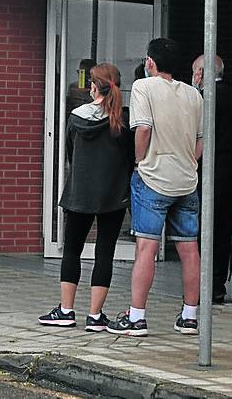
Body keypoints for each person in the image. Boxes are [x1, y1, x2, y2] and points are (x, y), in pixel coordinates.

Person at [108, 38, 204, 337]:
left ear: (150, 62)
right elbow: (201, 140)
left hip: (153, 178)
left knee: (146, 248)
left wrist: (140, 160)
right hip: (187, 179)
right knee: (189, 249)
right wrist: (188, 160)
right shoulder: (194, 95)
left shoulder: (143, 87)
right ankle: (189, 317)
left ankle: (136, 317)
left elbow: (144, 128)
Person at [38, 63, 133, 331]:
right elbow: (130, 159)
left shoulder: (76, 117)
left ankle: (66, 310)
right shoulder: (122, 120)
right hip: (113, 194)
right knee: (105, 252)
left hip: (79, 192)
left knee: (72, 250)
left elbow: (71, 152)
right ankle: (95, 315)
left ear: (93, 86)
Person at [192, 53, 232, 304]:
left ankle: (205, 285)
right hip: (227, 166)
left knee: (204, 227)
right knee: (220, 227)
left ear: (201, 74)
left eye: (195, 73)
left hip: (208, 166)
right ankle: (217, 283)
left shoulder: (206, 99)